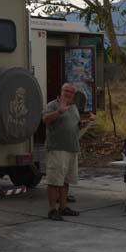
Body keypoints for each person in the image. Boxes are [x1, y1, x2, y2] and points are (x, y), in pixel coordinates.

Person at [42, 83, 87, 220]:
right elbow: (45, 119)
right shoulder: (53, 105)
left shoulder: (74, 107)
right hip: (57, 148)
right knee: (55, 180)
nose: (68, 93)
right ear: (61, 91)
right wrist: (59, 111)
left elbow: (72, 126)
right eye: (66, 91)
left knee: (65, 181)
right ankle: (52, 210)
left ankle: (63, 207)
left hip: (71, 148)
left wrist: (81, 125)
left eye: (71, 92)